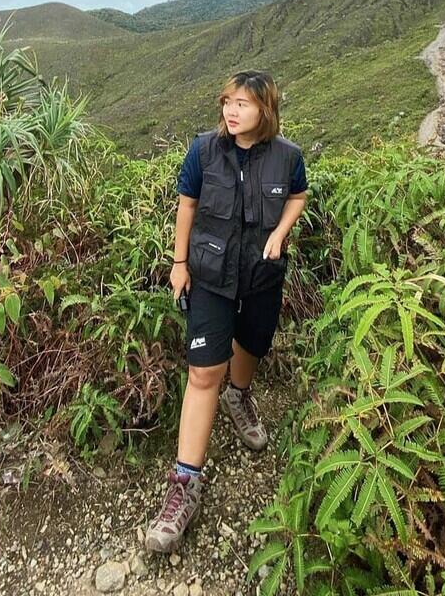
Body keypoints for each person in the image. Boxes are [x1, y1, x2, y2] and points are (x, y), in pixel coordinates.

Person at [144, 69, 308, 554]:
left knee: (252, 346)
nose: (231, 112)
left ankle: (239, 396)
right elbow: (186, 206)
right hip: (210, 275)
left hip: (261, 274)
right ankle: (184, 483)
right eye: (227, 102)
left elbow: (296, 196)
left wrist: (280, 234)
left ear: (266, 109)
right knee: (202, 372)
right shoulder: (203, 150)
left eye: (242, 104)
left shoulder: (288, 157)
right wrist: (178, 263)